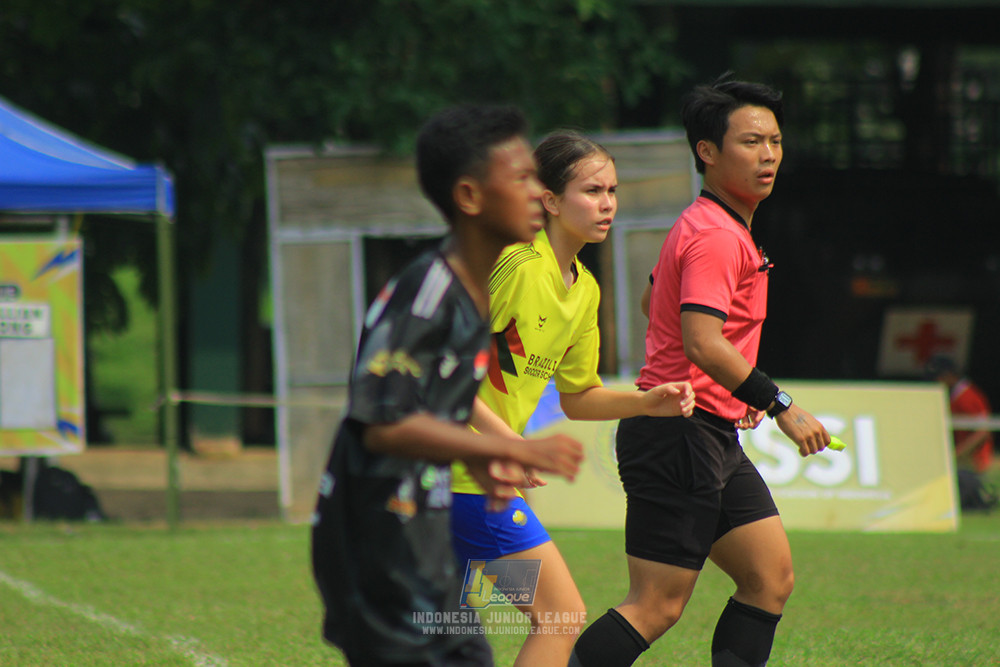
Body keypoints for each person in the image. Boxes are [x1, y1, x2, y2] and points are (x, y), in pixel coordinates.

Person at [569, 74, 833, 667]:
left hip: (707, 433)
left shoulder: (710, 223)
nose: (768, 155)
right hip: (677, 432)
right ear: (707, 152)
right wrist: (780, 405)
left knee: (769, 578)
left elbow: (653, 303)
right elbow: (702, 342)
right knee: (656, 605)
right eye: (750, 142)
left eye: (775, 141)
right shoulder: (716, 234)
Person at [310, 104, 585, 667]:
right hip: (377, 541)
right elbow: (383, 424)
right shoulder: (428, 293)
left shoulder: (474, 295)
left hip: (423, 534)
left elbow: (439, 411)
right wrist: (512, 448)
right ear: (469, 196)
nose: (538, 193)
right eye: (521, 178)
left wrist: (483, 462)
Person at [450, 131, 696, 666]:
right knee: (559, 615)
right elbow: (442, 371)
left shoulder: (585, 289)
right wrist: (510, 445)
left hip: (475, 477)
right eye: (592, 191)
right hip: (455, 474)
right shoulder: (515, 264)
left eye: (612, 191)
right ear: (551, 200)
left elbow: (578, 396)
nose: (607, 204)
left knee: (455, 632)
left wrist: (646, 402)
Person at [926, 355, 995, 474]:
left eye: (939, 377)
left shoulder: (967, 396)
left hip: (975, 464)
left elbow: (983, 432)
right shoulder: (953, 395)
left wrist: (956, 454)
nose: (936, 381)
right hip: (963, 463)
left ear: (949, 375)